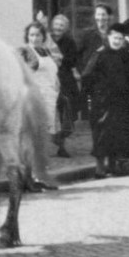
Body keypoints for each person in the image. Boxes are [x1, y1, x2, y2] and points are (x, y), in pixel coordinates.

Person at [82, 22, 129, 178]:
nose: (118, 41)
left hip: (121, 101)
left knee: (119, 134)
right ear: (108, 37)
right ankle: (100, 168)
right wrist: (94, 95)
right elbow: (87, 77)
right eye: (115, 38)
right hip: (102, 103)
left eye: (121, 38)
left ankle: (115, 165)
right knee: (102, 135)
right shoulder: (99, 54)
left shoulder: (125, 55)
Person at [17, 21, 60, 191]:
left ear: (44, 36)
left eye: (38, 35)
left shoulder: (47, 51)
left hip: (49, 99)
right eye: (32, 35)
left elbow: (52, 74)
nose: (35, 38)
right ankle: (26, 179)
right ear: (27, 36)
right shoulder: (24, 51)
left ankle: (39, 176)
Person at [48, 14, 79, 157]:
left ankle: (60, 141)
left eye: (62, 25)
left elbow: (73, 60)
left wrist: (61, 59)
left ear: (66, 28)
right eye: (56, 24)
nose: (58, 27)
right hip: (49, 79)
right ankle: (59, 146)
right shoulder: (46, 39)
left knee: (67, 112)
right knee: (53, 112)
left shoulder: (69, 42)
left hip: (65, 79)